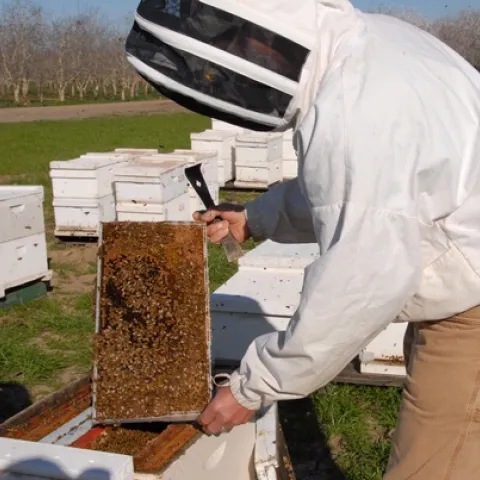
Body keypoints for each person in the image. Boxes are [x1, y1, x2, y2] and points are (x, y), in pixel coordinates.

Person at [128, 0, 480, 478]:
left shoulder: (357, 107)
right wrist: (254, 218)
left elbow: (362, 279)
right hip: (462, 272)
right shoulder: (371, 43)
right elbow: (352, 191)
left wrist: (253, 386)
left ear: (261, 28)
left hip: (472, 304)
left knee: (432, 466)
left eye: (228, 39)